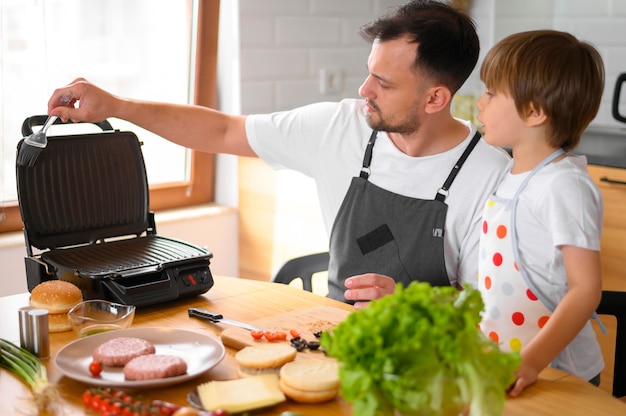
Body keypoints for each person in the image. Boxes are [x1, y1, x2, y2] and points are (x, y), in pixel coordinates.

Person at [48, 0, 509, 307]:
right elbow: (224, 130)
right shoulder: (339, 128)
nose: (364, 90)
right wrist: (117, 106)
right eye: (369, 72)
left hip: (435, 363)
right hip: (335, 340)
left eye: (384, 85)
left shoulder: (491, 175)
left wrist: (410, 303)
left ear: (435, 99)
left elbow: (492, 306)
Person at [475, 30, 605, 396]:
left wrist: (531, 360)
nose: (480, 104)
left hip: (556, 372)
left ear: (533, 112)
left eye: (491, 93)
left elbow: (585, 289)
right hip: (505, 363)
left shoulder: (563, 185)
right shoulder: (511, 174)